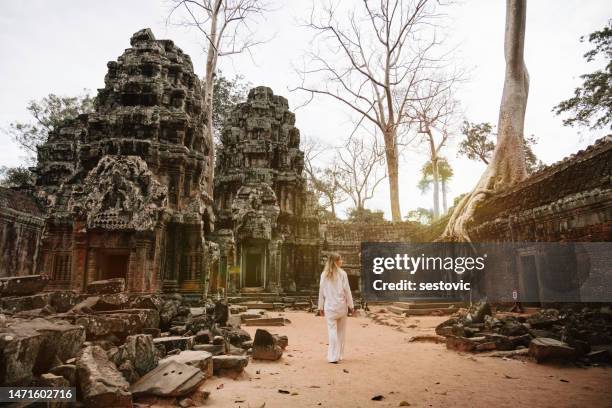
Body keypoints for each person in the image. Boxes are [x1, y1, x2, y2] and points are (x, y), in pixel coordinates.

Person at [318, 252, 354, 363]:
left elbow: (321, 292)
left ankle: (332, 356)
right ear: (336, 262)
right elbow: (347, 291)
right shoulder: (343, 274)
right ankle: (339, 355)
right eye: (340, 260)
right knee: (341, 332)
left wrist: (320, 307)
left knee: (332, 331)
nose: (342, 261)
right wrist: (351, 306)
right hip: (341, 306)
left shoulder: (324, 275)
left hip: (329, 307)